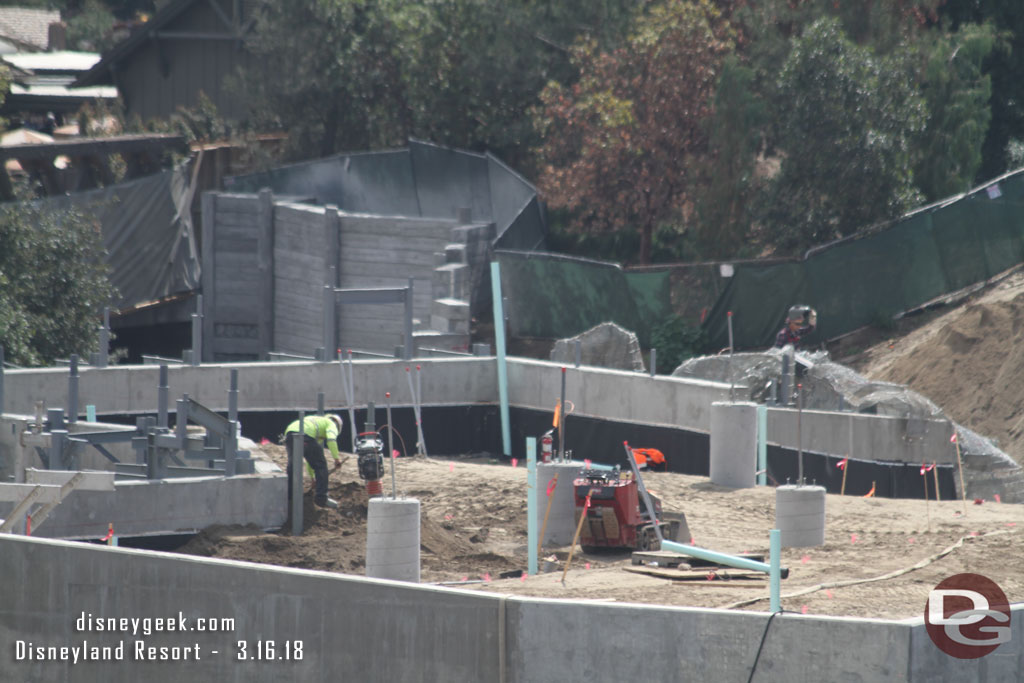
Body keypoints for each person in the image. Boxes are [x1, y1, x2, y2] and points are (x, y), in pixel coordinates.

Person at [283, 414, 343, 509]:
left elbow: (309, 460)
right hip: (305, 435)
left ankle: (290, 497)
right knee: (321, 465)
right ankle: (321, 498)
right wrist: (336, 458)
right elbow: (331, 439)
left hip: (290, 434)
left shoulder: (316, 422)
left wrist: (312, 478)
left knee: (292, 467)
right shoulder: (331, 423)